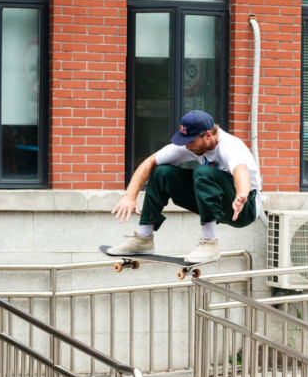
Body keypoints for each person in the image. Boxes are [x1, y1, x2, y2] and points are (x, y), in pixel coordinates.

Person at [108, 110, 264, 263]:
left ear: (208, 135)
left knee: (203, 172)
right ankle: (144, 239)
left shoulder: (230, 145)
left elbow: (241, 170)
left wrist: (241, 195)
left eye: (191, 141)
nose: (187, 146)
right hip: (219, 202)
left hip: (244, 208)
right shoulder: (190, 145)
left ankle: (210, 243)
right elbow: (149, 162)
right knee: (162, 172)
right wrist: (129, 196)